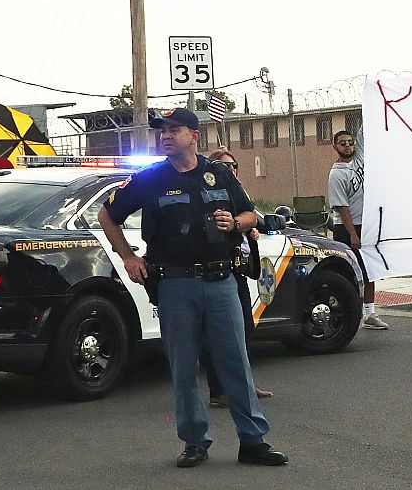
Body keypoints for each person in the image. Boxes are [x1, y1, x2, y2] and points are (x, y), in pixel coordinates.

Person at [97, 108, 287, 468]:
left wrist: (235, 222)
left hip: (221, 283)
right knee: (184, 366)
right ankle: (194, 441)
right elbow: (108, 214)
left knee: (236, 364)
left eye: (174, 130)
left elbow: (249, 214)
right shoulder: (150, 178)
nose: (165, 136)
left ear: (195, 136)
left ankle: (253, 440)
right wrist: (128, 257)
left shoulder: (218, 174)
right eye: (162, 132)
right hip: (176, 285)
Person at [204, 146, 273, 407]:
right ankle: (219, 391)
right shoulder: (212, 193)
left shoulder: (236, 191)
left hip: (239, 268)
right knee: (219, 334)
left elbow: (251, 218)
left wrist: (247, 230)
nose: (231, 170)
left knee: (244, 328)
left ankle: (244, 385)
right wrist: (237, 227)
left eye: (234, 166)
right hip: (220, 270)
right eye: (225, 166)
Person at [328, 129, 388, 329]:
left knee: (370, 270)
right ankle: (348, 312)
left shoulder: (360, 159)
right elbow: (341, 206)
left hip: (367, 224)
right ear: (335, 146)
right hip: (348, 227)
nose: (347, 146)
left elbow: (366, 130)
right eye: (342, 143)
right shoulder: (337, 174)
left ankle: (370, 313)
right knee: (352, 273)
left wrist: (373, 99)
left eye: (350, 143)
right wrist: (353, 233)